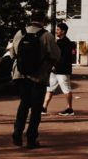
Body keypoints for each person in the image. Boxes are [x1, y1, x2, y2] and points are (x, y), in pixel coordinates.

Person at [10, 13, 60, 149]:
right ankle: (31, 138)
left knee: (24, 104)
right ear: (43, 20)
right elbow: (56, 55)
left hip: (20, 75)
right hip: (39, 76)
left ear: (30, 19)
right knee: (36, 108)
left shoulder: (20, 33)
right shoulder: (47, 36)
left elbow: (12, 54)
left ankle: (17, 133)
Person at [43, 21, 75, 116]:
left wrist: (54, 65)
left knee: (66, 89)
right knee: (50, 89)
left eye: (58, 30)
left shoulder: (65, 43)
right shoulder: (61, 42)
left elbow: (63, 58)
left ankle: (69, 108)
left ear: (63, 31)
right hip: (55, 70)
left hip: (62, 71)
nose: (56, 31)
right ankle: (44, 107)